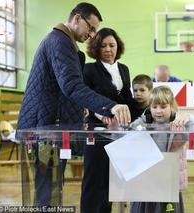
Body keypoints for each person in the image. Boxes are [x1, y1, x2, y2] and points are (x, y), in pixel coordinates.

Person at [17, 2, 130, 206]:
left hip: (50, 126)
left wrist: (81, 106)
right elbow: (71, 86)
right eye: (91, 28)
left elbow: (62, 89)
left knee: (52, 188)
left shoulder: (64, 43)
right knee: (48, 192)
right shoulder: (59, 41)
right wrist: (111, 106)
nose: (92, 34)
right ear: (77, 19)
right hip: (45, 130)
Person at [81, 27, 136, 213]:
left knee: (110, 180)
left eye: (112, 45)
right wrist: (101, 115)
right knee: (94, 179)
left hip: (119, 132)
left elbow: (127, 98)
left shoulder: (124, 69)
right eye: (103, 45)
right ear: (96, 48)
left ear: (117, 47)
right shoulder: (88, 69)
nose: (108, 49)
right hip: (96, 130)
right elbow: (86, 97)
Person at [129, 86, 194, 213]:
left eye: (163, 107)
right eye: (154, 107)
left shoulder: (179, 123)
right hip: (147, 180)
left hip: (169, 181)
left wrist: (187, 116)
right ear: (149, 107)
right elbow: (129, 132)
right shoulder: (144, 121)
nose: (158, 111)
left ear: (171, 107)